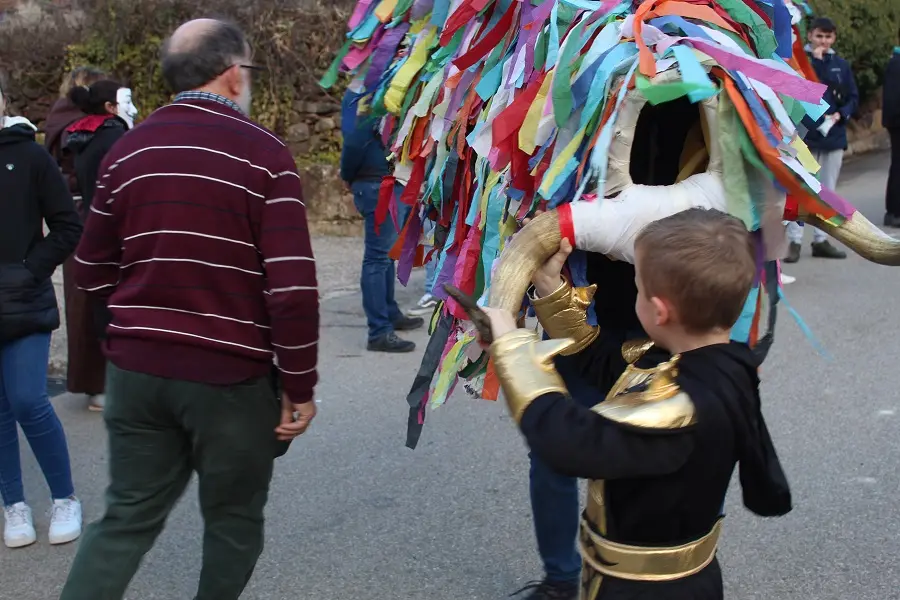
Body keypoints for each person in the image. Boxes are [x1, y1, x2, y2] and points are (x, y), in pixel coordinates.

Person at [59, 19, 319, 600]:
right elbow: (293, 291)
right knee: (232, 521)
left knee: (125, 518)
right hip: (230, 377)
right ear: (232, 74)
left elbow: (91, 269)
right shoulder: (264, 154)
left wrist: (132, 330)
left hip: (136, 373)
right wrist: (299, 386)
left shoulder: (128, 151)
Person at [483, 208, 792, 599]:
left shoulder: (679, 411)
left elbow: (564, 440)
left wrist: (513, 347)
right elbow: (607, 364)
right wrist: (552, 291)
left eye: (638, 287)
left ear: (658, 310)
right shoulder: (723, 363)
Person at [0, 84, 84, 549]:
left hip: (23, 300)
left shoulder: (29, 156)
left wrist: (32, 268)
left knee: (29, 399)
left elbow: (68, 225)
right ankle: (14, 504)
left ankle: (64, 497)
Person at [341, 83, 423, 352]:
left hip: (388, 183)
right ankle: (379, 331)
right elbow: (352, 147)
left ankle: (389, 313)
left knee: (386, 254)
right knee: (378, 257)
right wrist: (351, 178)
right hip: (377, 185)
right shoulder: (367, 104)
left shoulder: (389, 99)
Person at [44, 66, 109, 411]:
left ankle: (95, 381)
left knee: (83, 298)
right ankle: (97, 384)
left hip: (74, 216)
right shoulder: (80, 124)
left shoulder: (60, 120)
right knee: (91, 299)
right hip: (87, 213)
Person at [785, 16, 857, 263]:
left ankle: (821, 239)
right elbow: (799, 92)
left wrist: (842, 114)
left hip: (834, 134)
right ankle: (794, 240)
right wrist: (814, 63)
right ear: (811, 36)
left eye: (828, 37)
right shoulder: (801, 62)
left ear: (834, 38)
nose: (823, 42)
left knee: (828, 191)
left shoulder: (841, 64)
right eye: (819, 36)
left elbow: (852, 96)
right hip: (807, 134)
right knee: (802, 188)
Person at [884, 31, 900, 227]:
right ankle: (893, 211)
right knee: (898, 166)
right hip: (897, 123)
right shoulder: (896, 63)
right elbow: (893, 98)